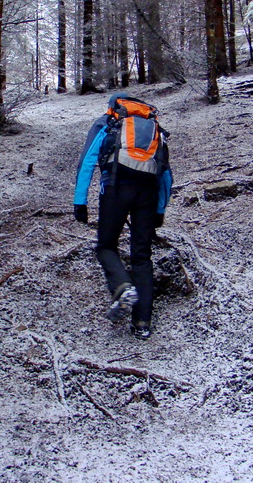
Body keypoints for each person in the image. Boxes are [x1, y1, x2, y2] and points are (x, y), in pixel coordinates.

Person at [73, 93, 173, 340]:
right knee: (142, 255)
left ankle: (122, 287)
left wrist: (80, 202)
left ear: (113, 107)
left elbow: (86, 162)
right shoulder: (154, 129)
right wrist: (160, 210)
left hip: (116, 186)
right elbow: (166, 175)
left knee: (106, 246)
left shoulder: (107, 123)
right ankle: (142, 323)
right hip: (147, 192)